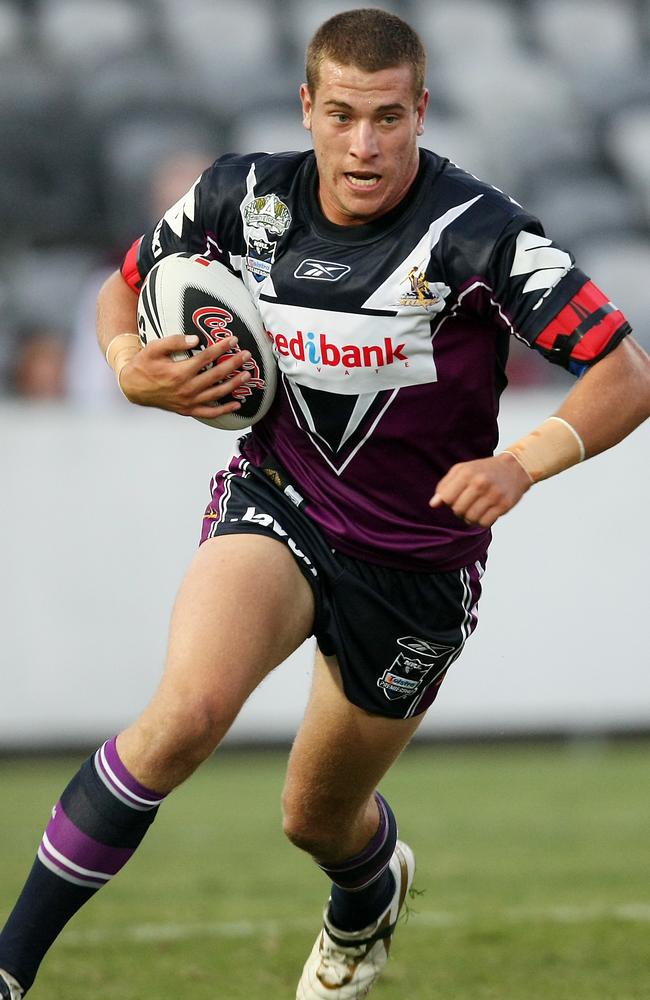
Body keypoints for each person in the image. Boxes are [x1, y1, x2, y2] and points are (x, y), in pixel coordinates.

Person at [1, 9, 649, 999]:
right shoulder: (241, 195)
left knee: (314, 817)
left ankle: (366, 887)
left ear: (420, 111)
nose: (363, 143)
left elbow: (621, 370)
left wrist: (522, 461)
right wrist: (130, 364)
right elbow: (122, 287)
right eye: (341, 114)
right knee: (183, 717)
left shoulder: (478, 234)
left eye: (387, 117)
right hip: (279, 499)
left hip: (414, 564)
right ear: (305, 106)